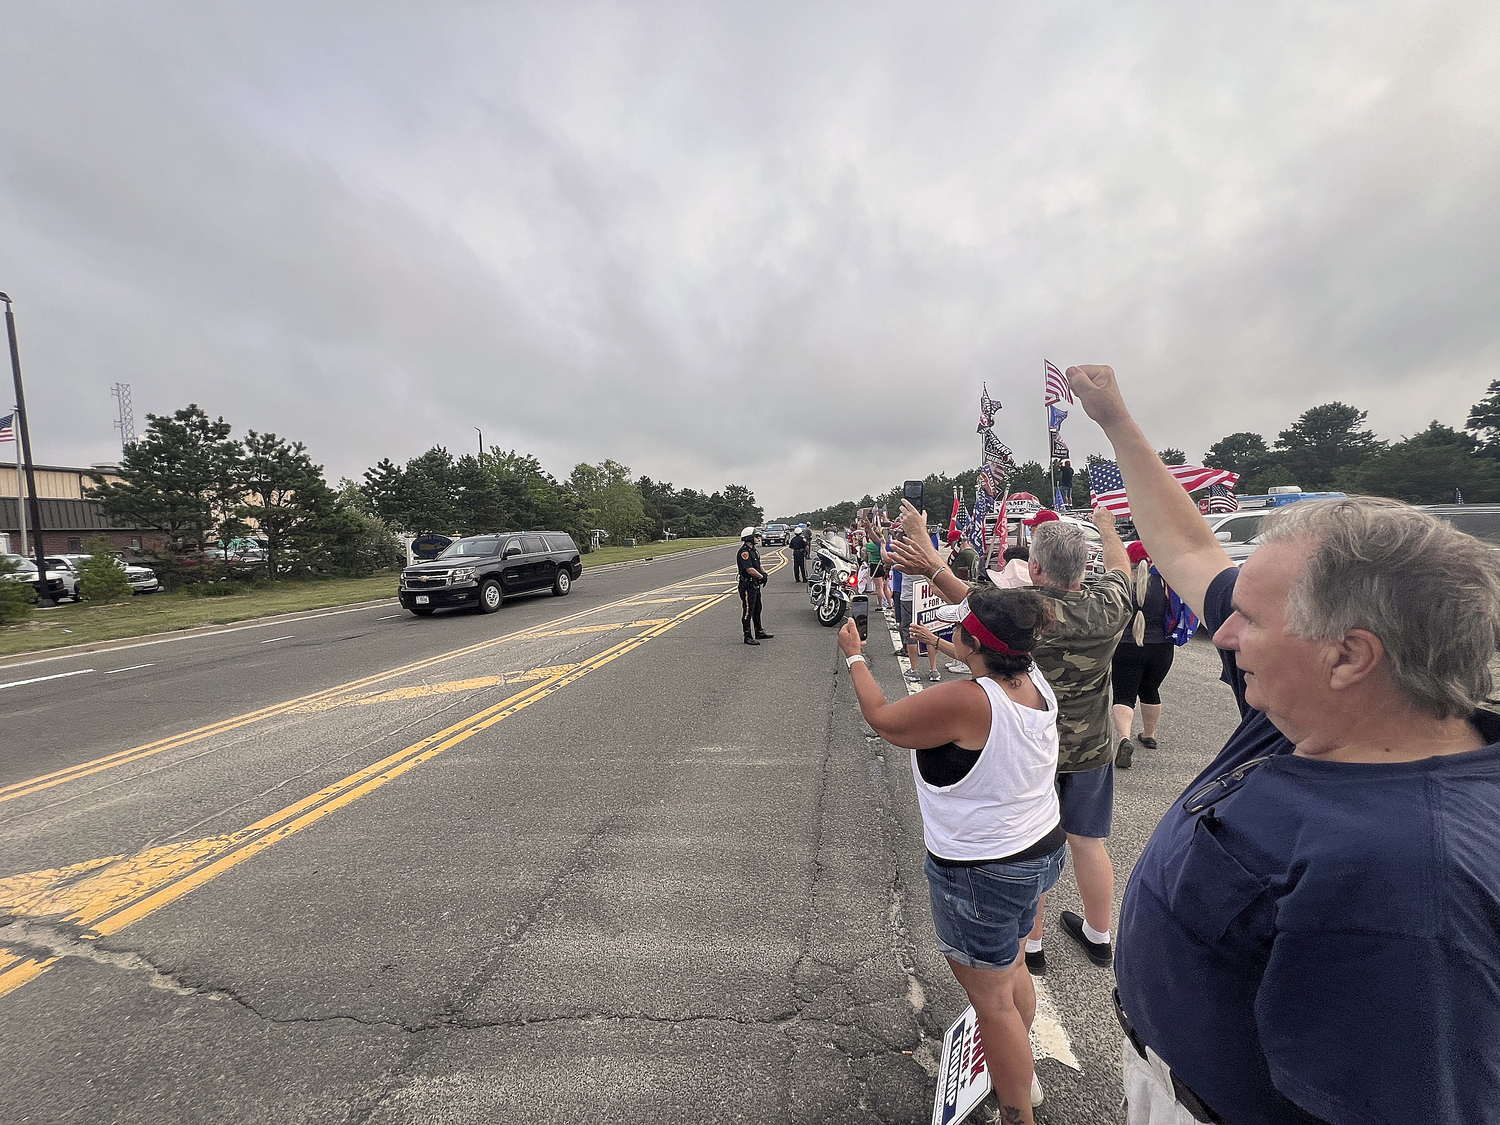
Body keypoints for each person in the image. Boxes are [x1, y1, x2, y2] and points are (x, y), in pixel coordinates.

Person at [1068, 363, 1500, 1125]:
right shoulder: (1333, 711)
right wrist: (1116, 421)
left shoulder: (1410, 880)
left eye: (1251, 622)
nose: (1223, 634)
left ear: (1349, 655)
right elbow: (1189, 548)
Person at [838, 587, 1066, 1123]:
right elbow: (983, 635)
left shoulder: (970, 700)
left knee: (992, 1005)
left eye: (958, 628)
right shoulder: (1032, 678)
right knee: (1009, 970)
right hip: (1039, 849)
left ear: (975, 641)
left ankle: (1017, 1113)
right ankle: (1023, 1075)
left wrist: (855, 655)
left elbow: (884, 719)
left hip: (982, 873)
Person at [892, 501, 1131, 974]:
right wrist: (1106, 527)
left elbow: (970, 601)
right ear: (1084, 566)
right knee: (1088, 841)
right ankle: (1100, 936)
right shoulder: (1109, 607)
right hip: (1089, 748)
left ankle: (1034, 944)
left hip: (1027, 743)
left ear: (1035, 567)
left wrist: (929, 552)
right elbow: (1122, 569)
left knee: (1031, 837)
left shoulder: (1028, 614)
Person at [1110, 540, 1196, 768]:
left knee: (1123, 695)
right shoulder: (1166, 583)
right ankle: (1149, 735)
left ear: (1129, 561)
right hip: (1160, 648)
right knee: (1150, 689)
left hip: (1126, 646)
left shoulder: (1121, 585)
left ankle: (1124, 738)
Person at [889, 527, 943, 683]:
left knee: (911, 633)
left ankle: (914, 670)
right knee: (931, 632)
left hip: (908, 596)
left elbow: (888, 559)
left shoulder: (904, 552)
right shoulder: (931, 552)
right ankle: (934, 670)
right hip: (927, 597)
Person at [736, 527, 772, 645]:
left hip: (755, 585)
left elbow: (758, 565)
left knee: (758, 608)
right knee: (748, 611)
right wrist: (761, 577)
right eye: (756, 536)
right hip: (747, 585)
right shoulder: (744, 552)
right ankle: (747, 636)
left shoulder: (754, 551)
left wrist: (764, 574)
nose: (758, 538)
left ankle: (759, 631)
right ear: (749, 538)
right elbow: (750, 569)